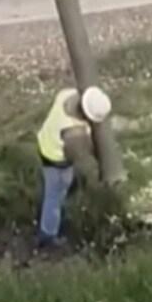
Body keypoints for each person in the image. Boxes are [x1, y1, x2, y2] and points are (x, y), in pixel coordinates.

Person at [35, 85, 112, 247]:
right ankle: (48, 236)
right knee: (54, 197)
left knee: (54, 188)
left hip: (45, 140)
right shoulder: (73, 132)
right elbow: (76, 155)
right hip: (56, 160)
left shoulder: (67, 94)